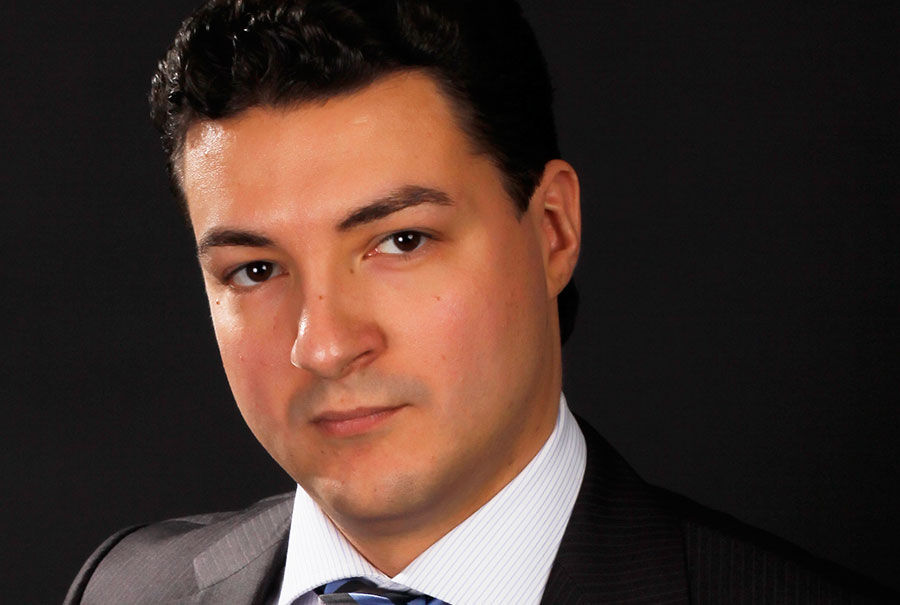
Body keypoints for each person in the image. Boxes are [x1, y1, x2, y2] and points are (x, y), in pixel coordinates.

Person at [65, 1, 894, 603]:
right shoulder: (124, 587)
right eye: (254, 269)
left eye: (401, 240)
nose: (323, 345)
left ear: (553, 230)